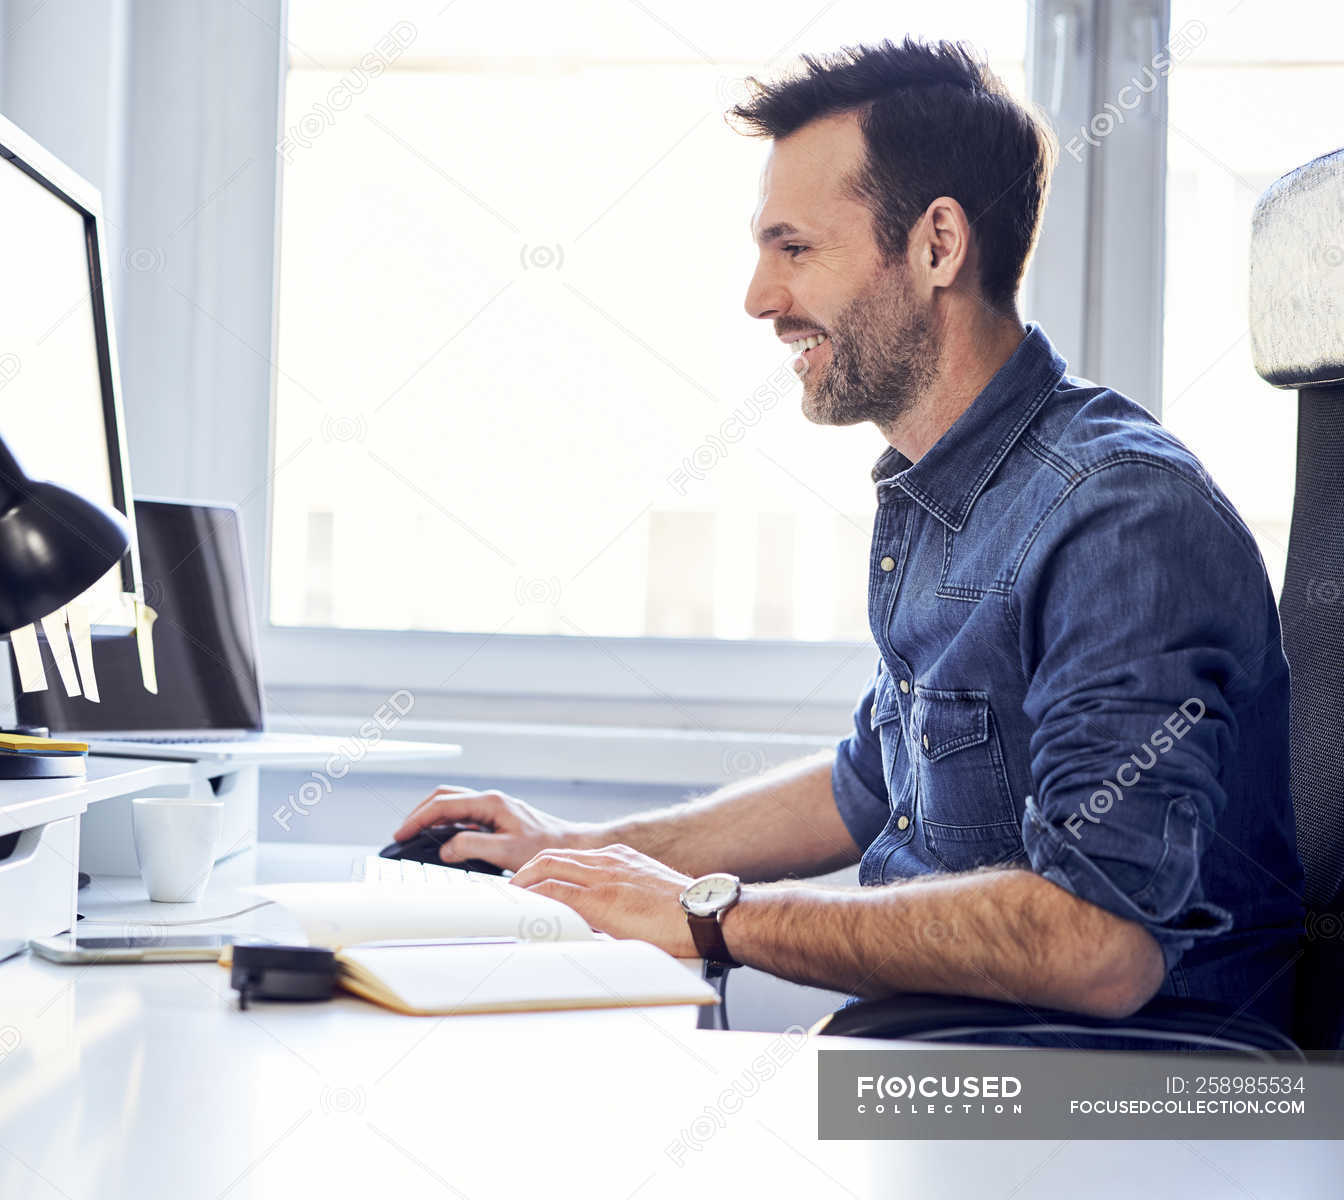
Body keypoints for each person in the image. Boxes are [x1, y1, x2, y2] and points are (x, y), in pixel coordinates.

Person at [392, 39, 1304, 1030]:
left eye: (795, 250)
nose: (760, 299)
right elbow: (867, 785)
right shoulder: (948, 492)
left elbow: (1098, 944)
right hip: (957, 1056)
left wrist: (712, 917)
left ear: (937, 246)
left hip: (1131, 1103)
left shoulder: (1121, 519)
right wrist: (583, 849)